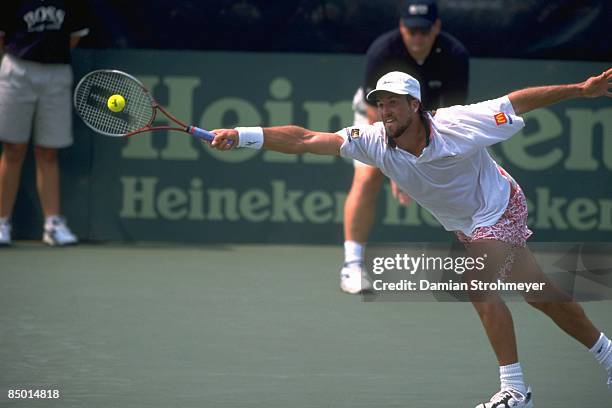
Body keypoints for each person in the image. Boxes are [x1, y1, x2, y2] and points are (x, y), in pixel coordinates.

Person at [207, 68, 612, 407]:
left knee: (477, 281)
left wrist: (582, 89)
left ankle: (515, 389)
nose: (385, 111)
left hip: (501, 205)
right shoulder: (373, 141)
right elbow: (306, 139)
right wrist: (244, 134)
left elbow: (516, 103)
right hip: (467, 223)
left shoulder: (459, 122)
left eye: (394, 103)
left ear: (415, 105)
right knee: (538, 293)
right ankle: (608, 354)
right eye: (380, 104)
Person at [343, 0, 469, 294]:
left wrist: (422, 155)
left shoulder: (455, 55)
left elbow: (452, 113)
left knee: (460, 173)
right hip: (377, 117)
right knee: (367, 176)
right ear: (401, 27)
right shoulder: (382, 51)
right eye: (411, 30)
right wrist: (395, 164)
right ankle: (352, 266)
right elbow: (377, 113)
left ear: (436, 28)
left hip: (430, 121)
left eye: (424, 31)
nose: (417, 38)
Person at [0, 0, 89, 246]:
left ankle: (52, 224)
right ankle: (1, 221)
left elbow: (73, 38)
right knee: (13, 149)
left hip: (57, 73)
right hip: (17, 70)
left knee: (48, 151)